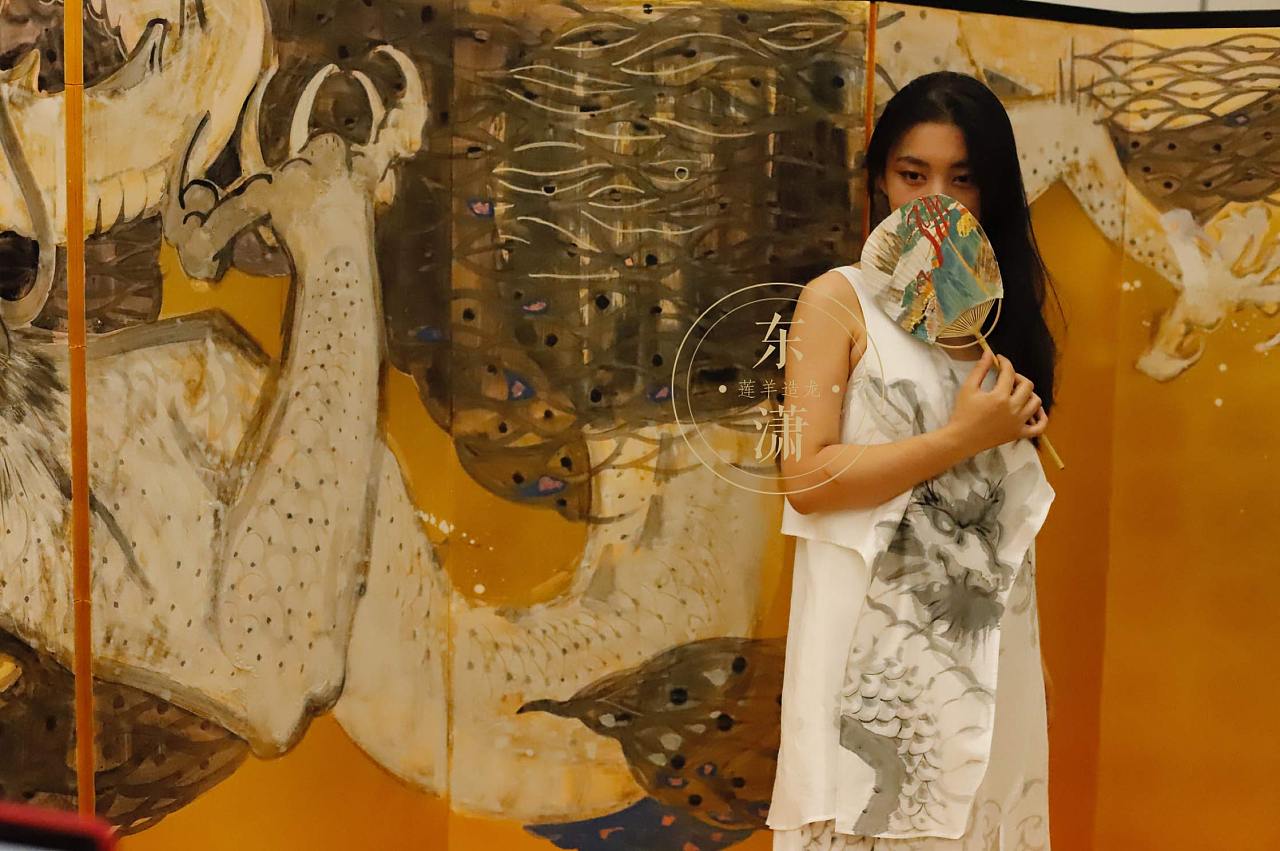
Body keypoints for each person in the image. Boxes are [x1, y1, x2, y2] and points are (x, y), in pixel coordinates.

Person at [767, 71, 1063, 849]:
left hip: (986, 645)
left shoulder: (990, 316)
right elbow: (806, 478)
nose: (937, 200)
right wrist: (960, 436)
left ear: (992, 190)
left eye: (961, 179)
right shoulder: (837, 301)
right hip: (873, 657)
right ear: (879, 181)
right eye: (913, 175)